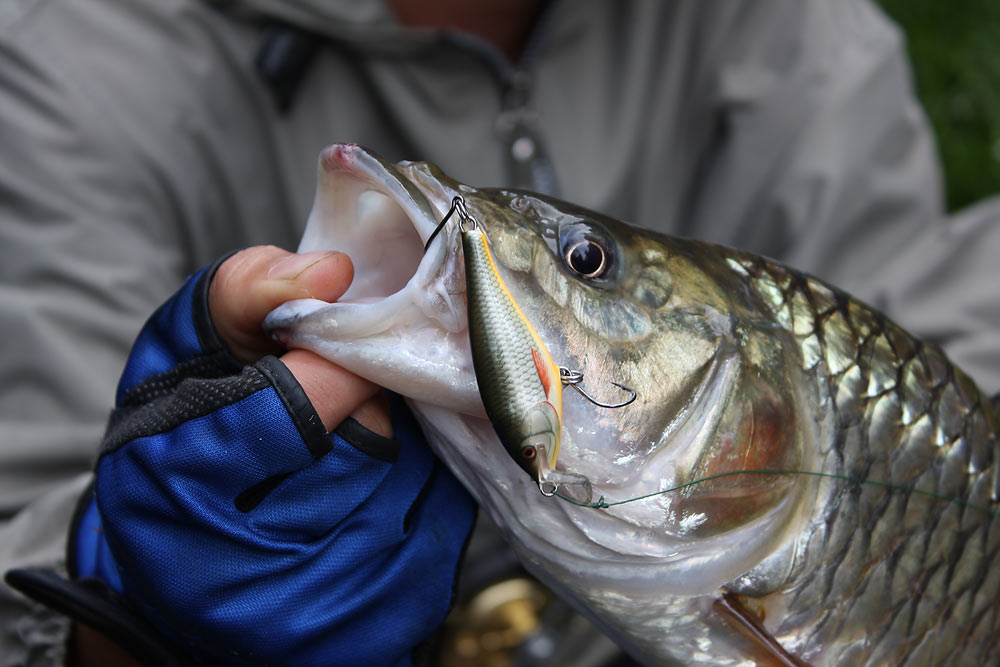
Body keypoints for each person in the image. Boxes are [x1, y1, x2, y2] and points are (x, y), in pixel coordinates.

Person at [1, 0, 998, 664]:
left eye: (583, 268)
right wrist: (127, 623)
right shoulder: (66, 63)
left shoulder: (788, 26)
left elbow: (906, 364)